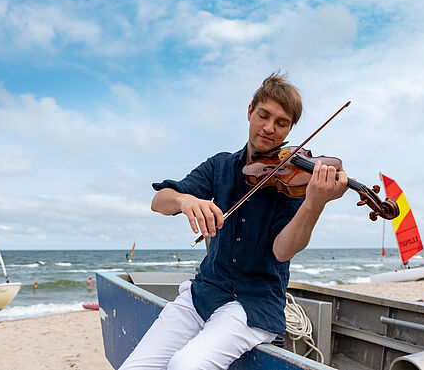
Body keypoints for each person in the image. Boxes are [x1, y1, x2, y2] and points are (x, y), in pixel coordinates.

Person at [118, 73, 348, 370]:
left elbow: (283, 251)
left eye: (281, 123)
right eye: (264, 115)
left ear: (291, 128)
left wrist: (314, 203)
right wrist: (184, 200)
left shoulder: (294, 180)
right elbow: (158, 201)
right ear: (250, 111)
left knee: (187, 365)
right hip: (203, 293)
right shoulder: (221, 165)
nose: (269, 128)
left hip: (253, 305)